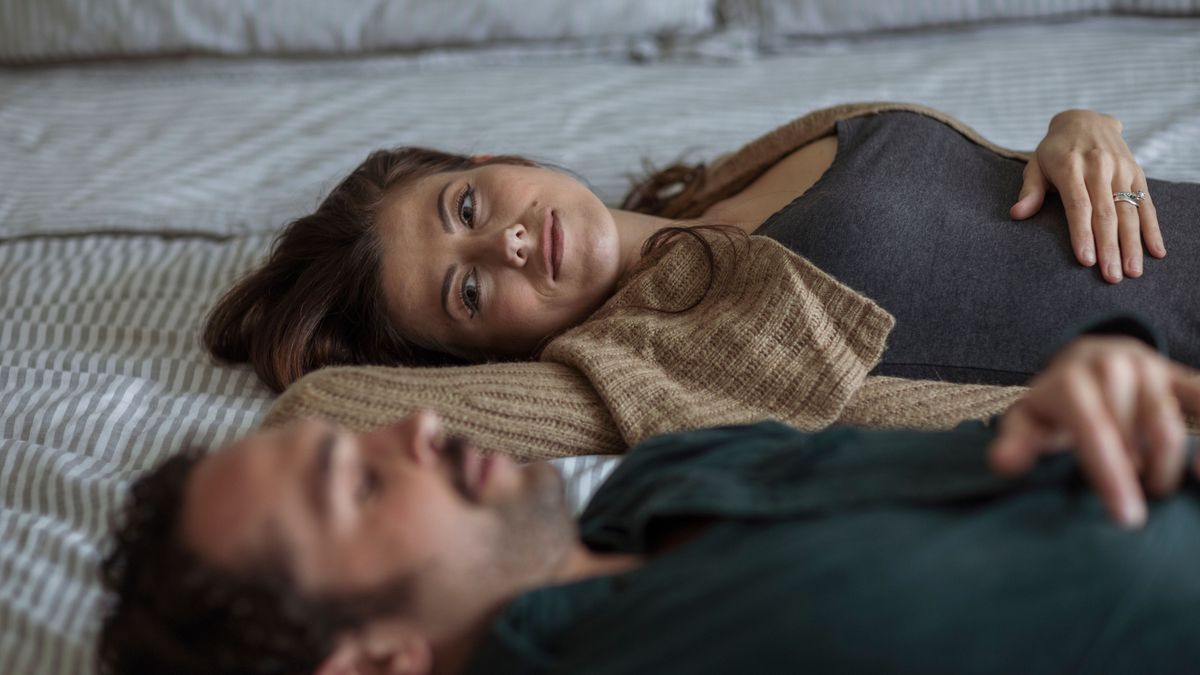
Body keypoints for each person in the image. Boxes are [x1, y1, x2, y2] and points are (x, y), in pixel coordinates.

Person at [98, 332, 1200, 674]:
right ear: (375, 661)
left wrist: (1102, 390)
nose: (422, 427)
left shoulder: (663, 478)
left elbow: (996, 453)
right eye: (364, 481)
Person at [203, 102, 1199, 393]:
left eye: (466, 206)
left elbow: (995, 186)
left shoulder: (757, 160)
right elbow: (340, 412)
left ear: (494, 156)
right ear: (477, 358)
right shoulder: (662, 362)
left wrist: (1078, 125)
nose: (505, 243)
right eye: (467, 294)